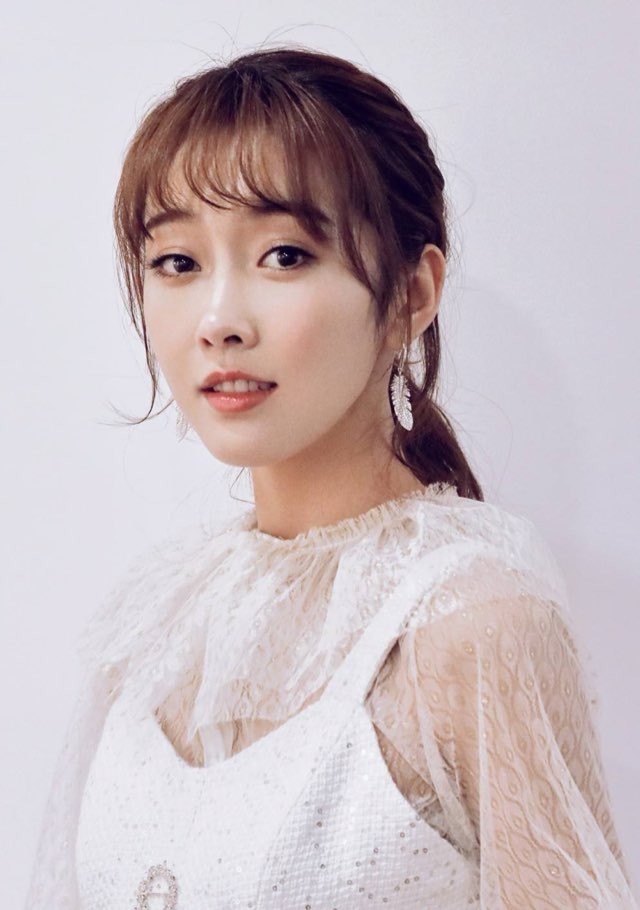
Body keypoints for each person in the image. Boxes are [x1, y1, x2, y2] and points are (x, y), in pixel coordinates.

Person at [26, 46, 638, 910]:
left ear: (412, 294)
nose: (219, 321)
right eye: (177, 263)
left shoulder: (473, 621)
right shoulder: (155, 624)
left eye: (284, 255)